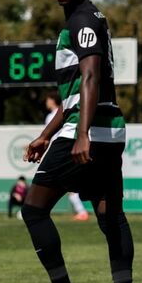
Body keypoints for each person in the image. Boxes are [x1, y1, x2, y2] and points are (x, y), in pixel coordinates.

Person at [21, 0, 136, 283]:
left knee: (34, 209)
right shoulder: (84, 19)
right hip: (107, 129)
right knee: (109, 215)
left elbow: (90, 78)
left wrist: (81, 133)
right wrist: (45, 134)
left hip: (89, 131)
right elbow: (74, 95)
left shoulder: (83, 19)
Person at [45, 93, 90, 222]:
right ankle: (81, 211)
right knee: (69, 185)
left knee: (62, 184)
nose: (46, 102)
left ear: (53, 100)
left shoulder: (52, 116)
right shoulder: (68, 112)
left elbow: (52, 135)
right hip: (66, 149)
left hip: (59, 151)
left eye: (48, 99)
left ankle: (81, 212)